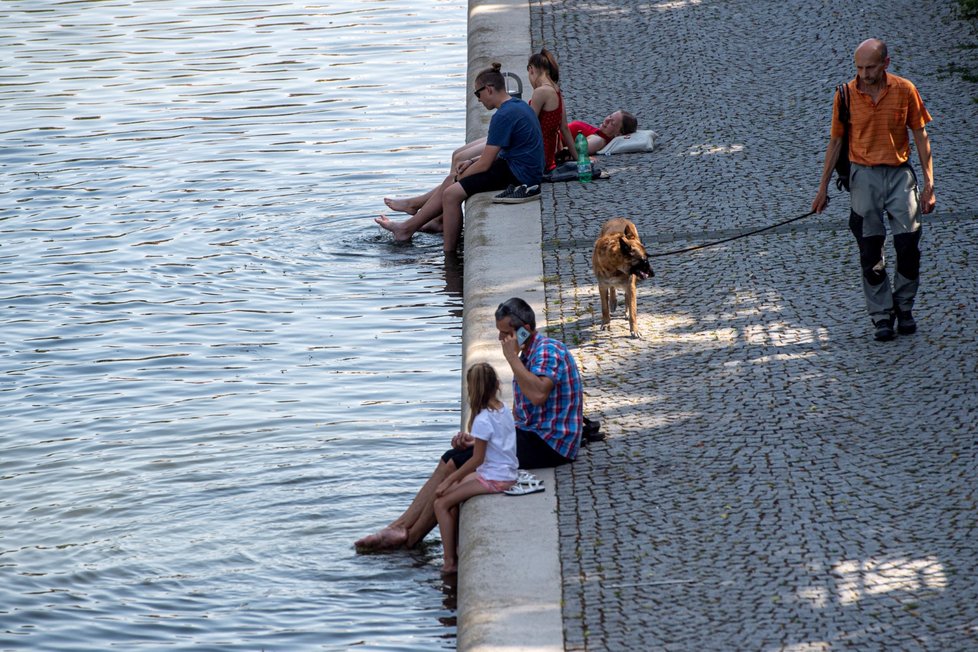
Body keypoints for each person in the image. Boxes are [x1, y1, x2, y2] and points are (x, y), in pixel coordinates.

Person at [354, 297, 583, 552]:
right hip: (534, 434)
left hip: (551, 444)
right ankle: (400, 525)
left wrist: (512, 359)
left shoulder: (546, 351)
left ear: (524, 330)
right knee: (452, 454)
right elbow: (521, 418)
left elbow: (538, 394)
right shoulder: (531, 353)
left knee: (460, 462)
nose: (501, 340)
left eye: (506, 334)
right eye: (500, 334)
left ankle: (409, 536)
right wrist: (480, 440)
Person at [812, 38, 935, 341]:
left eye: (870, 67)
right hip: (863, 177)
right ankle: (882, 315)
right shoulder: (845, 95)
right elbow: (836, 142)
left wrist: (929, 183)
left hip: (899, 176)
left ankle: (904, 308)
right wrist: (822, 187)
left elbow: (920, 135)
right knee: (871, 250)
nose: (864, 74)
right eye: (859, 67)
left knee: (908, 246)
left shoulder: (905, 90)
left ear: (886, 63)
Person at [382, 49, 574, 229]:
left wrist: (464, 174)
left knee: (457, 170)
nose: (478, 99)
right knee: (459, 156)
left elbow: (523, 125)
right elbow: (563, 129)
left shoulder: (539, 93)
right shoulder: (556, 90)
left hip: (524, 155)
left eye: (478, 94)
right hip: (525, 150)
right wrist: (578, 158)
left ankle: (425, 210)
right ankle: (427, 209)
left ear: (532, 70)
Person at [375, 63, 544, 252]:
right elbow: (500, 152)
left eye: (477, 94)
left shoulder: (503, 116)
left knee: (451, 193)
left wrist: (460, 176)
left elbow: (486, 164)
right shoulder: (517, 105)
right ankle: (409, 225)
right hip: (521, 167)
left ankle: (447, 254)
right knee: (452, 180)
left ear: (488, 89)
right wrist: (470, 163)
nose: (478, 100)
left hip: (520, 174)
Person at [432, 362, 518, 574]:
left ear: (472, 390)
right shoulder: (504, 409)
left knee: (441, 504)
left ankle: (449, 561)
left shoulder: (482, 419)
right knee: (456, 492)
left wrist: (448, 480)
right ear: (496, 385)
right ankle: (459, 547)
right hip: (507, 472)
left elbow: (476, 460)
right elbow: (495, 442)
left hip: (494, 478)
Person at [563, 109, 639, 156]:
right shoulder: (598, 134)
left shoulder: (598, 140)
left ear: (618, 134)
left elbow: (572, 151)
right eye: (610, 116)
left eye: (612, 123)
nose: (606, 120)